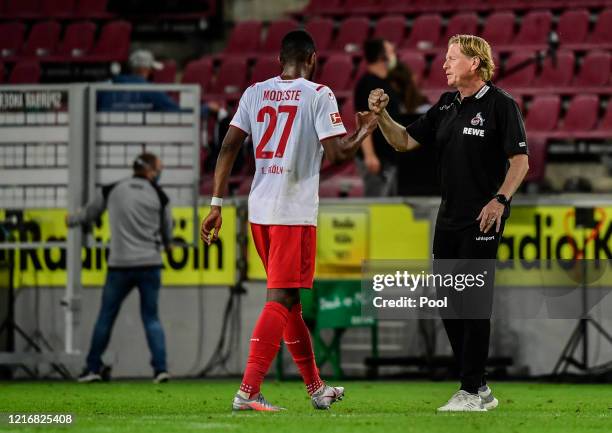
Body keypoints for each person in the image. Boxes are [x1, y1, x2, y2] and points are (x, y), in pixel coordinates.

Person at [200, 30, 378, 412]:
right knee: (280, 299)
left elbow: (229, 146)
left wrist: (216, 203)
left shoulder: (254, 92)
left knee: (291, 301)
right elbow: (336, 153)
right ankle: (248, 391)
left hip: (259, 211)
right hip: (292, 213)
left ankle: (316, 389)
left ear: (280, 60)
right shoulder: (319, 94)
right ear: (312, 58)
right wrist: (367, 127)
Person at [368, 34, 529, 411]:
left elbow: (520, 162)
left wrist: (500, 200)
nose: (444, 64)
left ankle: (471, 391)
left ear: (474, 63)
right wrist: (381, 116)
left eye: (452, 58)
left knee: (473, 304)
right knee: (449, 304)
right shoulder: (445, 106)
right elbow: (403, 142)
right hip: (449, 219)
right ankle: (481, 387)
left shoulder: (501, 105)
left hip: (483, 220)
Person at [66, 153, 172, 384]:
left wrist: (71, 220)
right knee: (151, 317)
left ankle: (92, 367)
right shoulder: (160, 195)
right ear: (151, 171)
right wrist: (169, 249)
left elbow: (88, 214)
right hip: (150, 264)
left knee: (106, 316)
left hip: (119, 265)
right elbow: (168, 234)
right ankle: (161, 369)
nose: (160, 173)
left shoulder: (111, 189)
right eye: (159, 169)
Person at [354, 38, 401, 196]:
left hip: (389, 155)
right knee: (376, 203)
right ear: (382, 55)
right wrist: (370, 155)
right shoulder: (367, 83)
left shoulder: (388, 82)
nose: (393, 54)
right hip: (377, 157)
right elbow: (364, 121)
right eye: (390, 51)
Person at [97, 50, 180, 112]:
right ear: (147, 70)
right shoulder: (151, 90)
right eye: (151, 69)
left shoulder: (103, 87)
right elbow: (176, 111)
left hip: (104, 133)